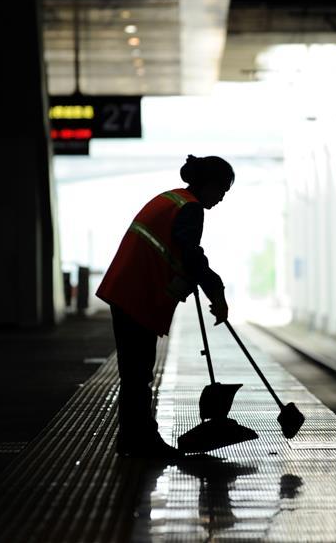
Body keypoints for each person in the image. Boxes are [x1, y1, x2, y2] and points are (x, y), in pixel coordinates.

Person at [96, 154, 233, 458]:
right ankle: (141, 441)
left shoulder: (172, 200)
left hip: (129, 290)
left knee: (135, 373)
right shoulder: (190, 208)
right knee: (137, 374)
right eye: (222, 190)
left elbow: (176, 253)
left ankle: (133, 438)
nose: (222, 198)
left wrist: (192, 279)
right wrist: (217, 292)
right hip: (137, 294)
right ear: (208, 185)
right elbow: (191, 255)